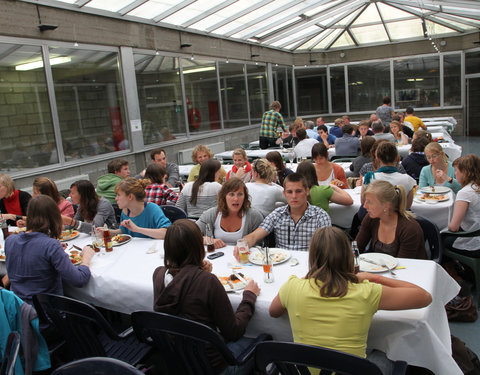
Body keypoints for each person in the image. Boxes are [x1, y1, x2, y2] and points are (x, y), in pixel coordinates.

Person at [269, 226, 431, 367]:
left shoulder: (292, 287)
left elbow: (273, 312)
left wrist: (308, 278)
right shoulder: (366, 292)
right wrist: (374, 277)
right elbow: (424, 296)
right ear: (348, 256)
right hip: (351, 369)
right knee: (390, 353)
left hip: (305, 369)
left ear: (312, 258)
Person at [153, 219, 260, 375]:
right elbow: (234, 331)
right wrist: (249, 298)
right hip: (216, 367)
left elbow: (181, 290)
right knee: (263, 339)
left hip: (178, 361)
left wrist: (197, 272)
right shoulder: (207, 282)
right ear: (198, 246)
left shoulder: (159, 274)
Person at [5, 195, 94, 304]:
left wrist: (50, 247)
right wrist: (86, 259)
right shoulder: (51, 246)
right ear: (54, 217)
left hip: (17, 309)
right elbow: (79, 280)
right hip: (46, 313)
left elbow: (30, 254)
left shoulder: (10, 240)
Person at [238, 173, 331, 251]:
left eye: (298, 191)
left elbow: (328, 248)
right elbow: (254, 236)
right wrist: (243, 245)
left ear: (307, 191)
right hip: (281, 264)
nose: (294, 196)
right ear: (284, 194)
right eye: (289, 192)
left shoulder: (320, 216)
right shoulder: (277, 214)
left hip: (310, 265)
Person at [357, 180, 426, 258]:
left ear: (386, 206)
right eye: (365, 201)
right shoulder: (371, 219)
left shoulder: (409, 229)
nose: (364, 206)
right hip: (380, 267)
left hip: (410, 268)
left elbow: (404, 265)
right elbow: (356, 248)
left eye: (370, 202)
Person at [196, 178, 264, 248]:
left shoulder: (254, 216)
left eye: (240, 194)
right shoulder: (212, 214)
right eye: (231, 194)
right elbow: (190, 234)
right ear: (224, 196)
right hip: (216, 258)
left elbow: (260, 246)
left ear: (245, 197)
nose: (236, 199)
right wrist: (208, 240)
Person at [362, 141, 416, 209]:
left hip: (375, 218)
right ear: (397, 158)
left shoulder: (369, 178)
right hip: (399, 218)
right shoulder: (408, 180)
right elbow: (407, 207)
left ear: (378, 159)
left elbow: (363, 203)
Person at [445, 155, 480, 257]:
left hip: (475, 243)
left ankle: (454, 268)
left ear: (465, 173)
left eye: (456, 171)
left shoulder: (465, 193)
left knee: (440, 238)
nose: (455, 174)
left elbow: (453, 227)